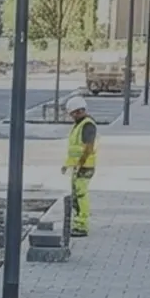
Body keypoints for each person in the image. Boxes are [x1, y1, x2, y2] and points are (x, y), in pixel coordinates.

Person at [62, 95, 96, 237]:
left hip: (84, 166)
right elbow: (74, 149)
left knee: (80, 195)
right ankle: (77, 223)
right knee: (76, 195)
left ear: (78, 111)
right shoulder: (80, 125)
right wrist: (67, 165)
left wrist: (81, 163)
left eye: (72, 114)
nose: (72, 117)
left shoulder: (87, 125)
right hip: (78, 166)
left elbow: (88, 147)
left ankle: (82, 225)